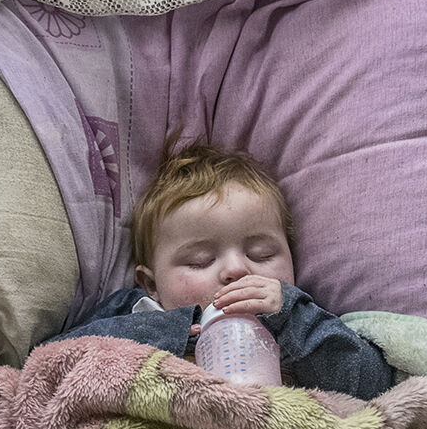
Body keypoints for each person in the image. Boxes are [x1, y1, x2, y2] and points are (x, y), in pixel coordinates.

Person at [53, 143, 393, 400]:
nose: (236, 269)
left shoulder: (301, 322)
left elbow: (373, 385)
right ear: (151, 284)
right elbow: (52, 366)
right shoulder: (137, 313)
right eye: (200, 260)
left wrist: (294, 317)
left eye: (261, 254)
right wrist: (173, 332)